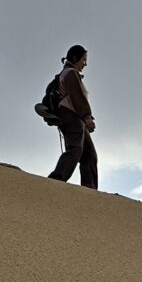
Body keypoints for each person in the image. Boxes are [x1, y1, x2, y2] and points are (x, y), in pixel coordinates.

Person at [47, 44, 100, 188]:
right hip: (71, 116)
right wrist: (87, 117)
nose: (85, 63)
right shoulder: (70, 73)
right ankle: (55, 181)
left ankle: (89, 190)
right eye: (84, 59)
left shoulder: (69, 73)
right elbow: (77, 98)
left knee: (89, 154)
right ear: (76, 58)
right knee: (75, 149)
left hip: (76, 118)